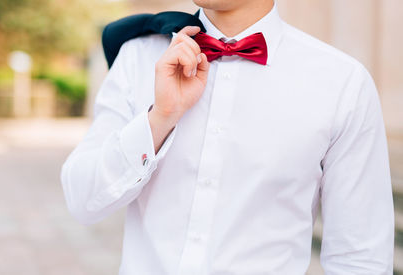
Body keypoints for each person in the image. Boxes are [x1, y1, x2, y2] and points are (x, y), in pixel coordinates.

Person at [60, 0, 394, 274]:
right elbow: (83, 199)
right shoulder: (138, 57)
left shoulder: (342, 83)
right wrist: (160, 118)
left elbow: (360, 256)